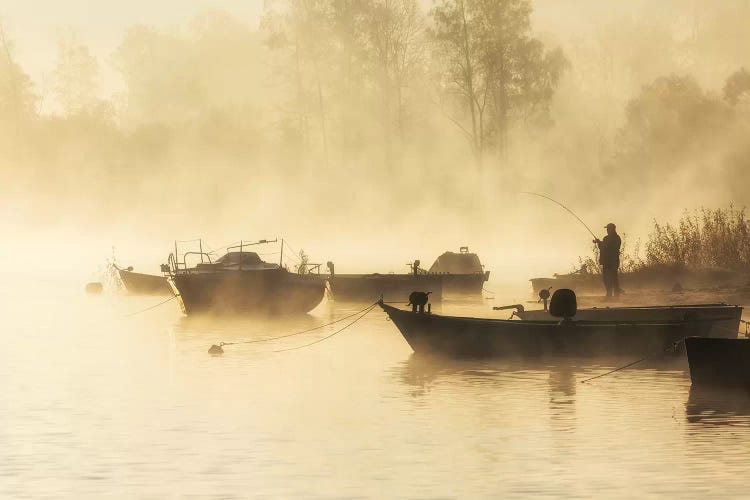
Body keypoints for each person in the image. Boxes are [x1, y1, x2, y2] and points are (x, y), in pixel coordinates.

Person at [594, 223, 622, 298]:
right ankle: (611, 295)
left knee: (611, 278)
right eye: (607, 229)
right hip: (609, 261)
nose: (607, 230)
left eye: (608, 229)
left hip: (611, 261)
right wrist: (599, 243)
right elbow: (604, 247)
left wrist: (599, 242)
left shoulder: (614, 238)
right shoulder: (615, 238)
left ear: (612, 229)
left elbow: (607, 247)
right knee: (608, 278)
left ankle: (613, 296)